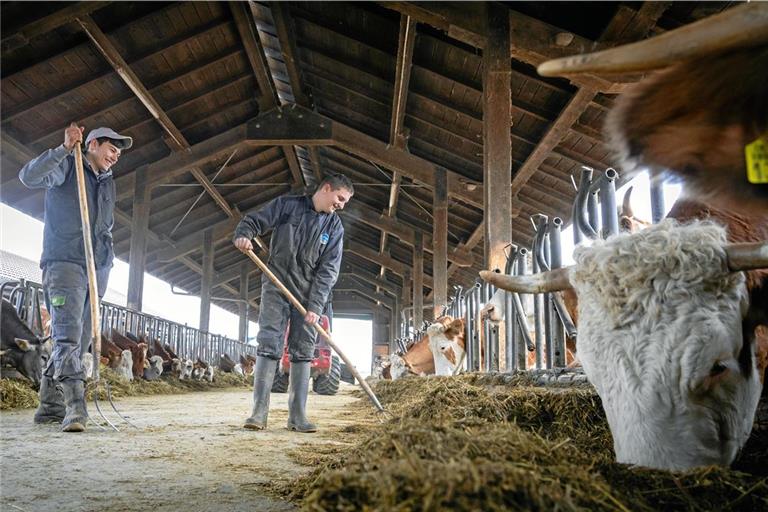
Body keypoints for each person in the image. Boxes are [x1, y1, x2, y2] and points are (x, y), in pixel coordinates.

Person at [19, 123, 132, 432]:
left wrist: (106, 260)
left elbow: (104, 227)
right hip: (65, 261)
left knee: (80, 339)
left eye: (119, 152)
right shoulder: (67, 166)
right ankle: (75, 406)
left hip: (98, 267)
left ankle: (49, 405)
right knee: (68, 334)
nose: (116, 155)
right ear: (92, 144)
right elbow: (28, 177)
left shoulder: (108, 183)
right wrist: (64, 149)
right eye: (112, 148)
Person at [233, 174, 354, 433]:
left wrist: (315, 306)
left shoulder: (334, 228)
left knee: (303, 350)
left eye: (345, 202)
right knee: (268, 343)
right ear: (327, 188)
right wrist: (244, 234)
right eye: (340, 198)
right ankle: (258, 414)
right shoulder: (287, 206)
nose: (341, 205)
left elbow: (328, 271)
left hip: (308, 295)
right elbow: (255, 220)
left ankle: (297, 417)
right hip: (276, 286)